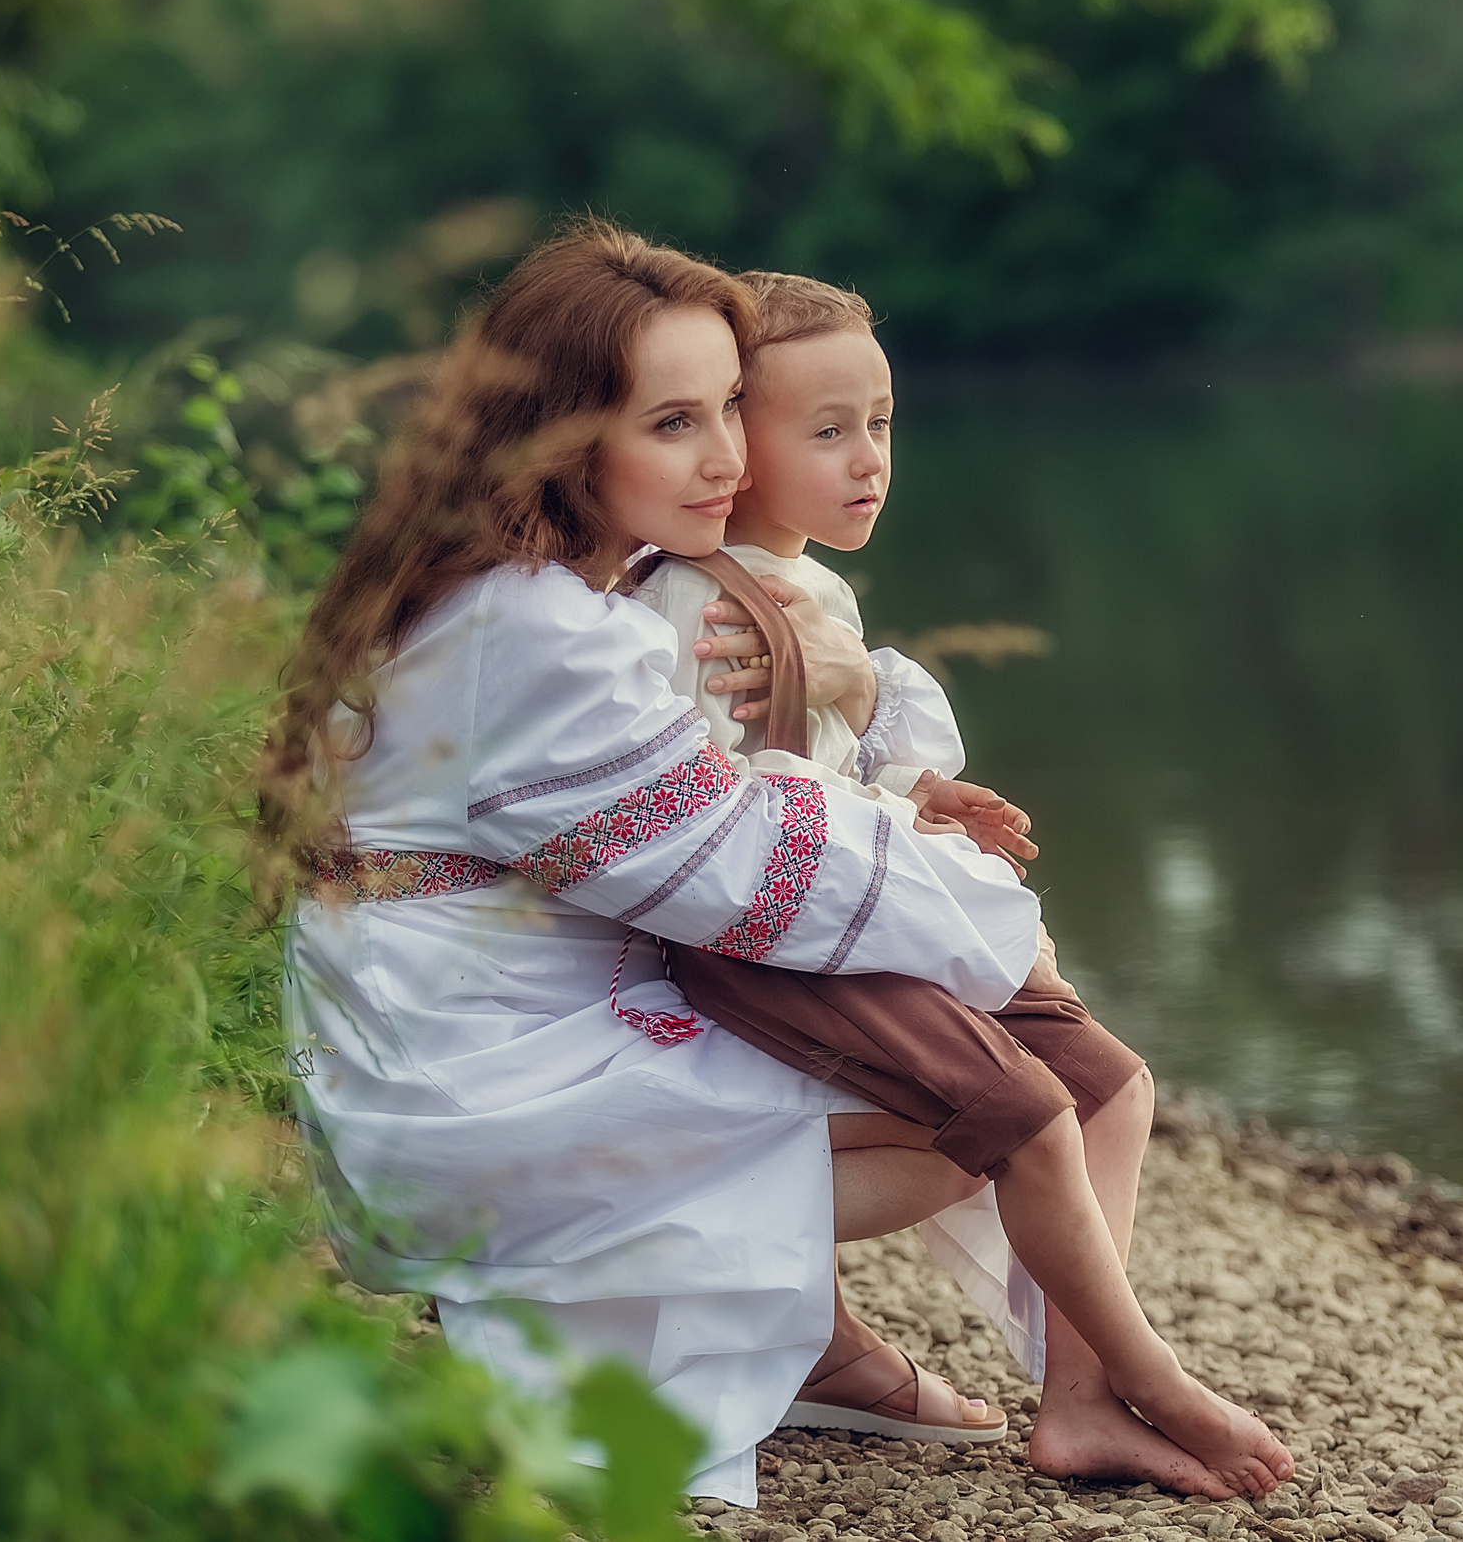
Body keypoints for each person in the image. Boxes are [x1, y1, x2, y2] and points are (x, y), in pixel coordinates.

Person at [258, 220, 1290, 1506]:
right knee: (983, 1113)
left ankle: (856, 1350)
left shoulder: (546, 587)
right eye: (674, 422)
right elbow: (740, 868)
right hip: (478, 1068)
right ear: (560, 437)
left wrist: (885, 753)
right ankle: (951, 1359)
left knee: (1017, 1076)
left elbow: (733, 814)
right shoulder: (538, 632)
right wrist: (983, 911)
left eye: (729, 411)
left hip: (508, 1002)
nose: (728, 458)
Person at [629, 275, 1280, 1493]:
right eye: (827, 430)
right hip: (774, 943)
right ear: (732, 441)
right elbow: (719, 827)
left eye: (880, 424)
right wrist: (918, 858)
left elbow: (815, 765)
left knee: (1114, 1087)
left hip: (857, 908)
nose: (868, 459)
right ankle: (1143, 1377)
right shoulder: (697, 604)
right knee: (1020, 1107)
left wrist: (918, 799)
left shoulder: (810, 590)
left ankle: (1079, 1401)